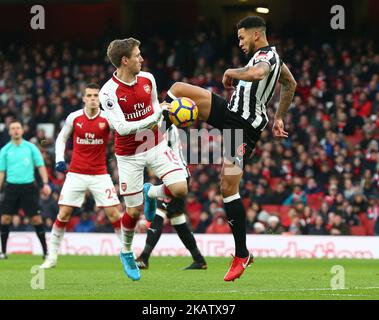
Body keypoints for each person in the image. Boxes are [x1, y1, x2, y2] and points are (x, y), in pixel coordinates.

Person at [161, 16, 297, 281]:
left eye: (242, 37)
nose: (240, 42)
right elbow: (290, 83)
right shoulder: (270, 58)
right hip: (230, 112)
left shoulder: (267, 58)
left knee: (227, 187)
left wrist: (230, 72)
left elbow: (258, 73)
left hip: (244, 127)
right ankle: (157, 133)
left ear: (256, 35)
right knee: (177, 90)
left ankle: (242, 254)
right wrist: (279, 116)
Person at [99, 38, 188, 281]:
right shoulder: (108, 92)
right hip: (128, 154)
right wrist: (157, 114)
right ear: (124, 60)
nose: (142, 59)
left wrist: (167, 119)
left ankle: (151, 192)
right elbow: (122, 128)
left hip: (155, 143)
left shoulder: (148, 79)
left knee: (180, 188)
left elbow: (154, 107)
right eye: (137, 55)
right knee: (134, 212)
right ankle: (127, 251)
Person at [40, 83, 122, 269]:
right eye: (89, 95)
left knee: (113, 213)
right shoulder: (74, 117)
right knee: (64, 213)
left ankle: (127, 252)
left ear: (99, 98)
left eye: (95, 95)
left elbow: (123, 132)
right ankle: (51, 256)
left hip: (100, 174)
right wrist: (59, 159)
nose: (93, 98)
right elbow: (61, 138)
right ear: (84, 98)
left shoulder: (108, 119)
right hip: (76, 174)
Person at [136, 125, 207, 270]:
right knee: (178, 220)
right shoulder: (166, 127)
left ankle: (144, 258)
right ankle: (199, 260)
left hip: (176, 178)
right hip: (176, 176)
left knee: (158, 213)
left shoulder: (167, 128)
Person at [0, 121, 51, 259]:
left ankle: (46, 252)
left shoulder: (31, 148)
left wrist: (45, 183)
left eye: (18, 128)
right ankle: (3, 252)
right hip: (11, 187)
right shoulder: (5, 150)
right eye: (13, 128)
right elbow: (2, 172)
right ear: (9, 132)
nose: (16, 130)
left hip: (28, 187)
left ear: (22, 130)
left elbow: (40, 166)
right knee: (5, 219)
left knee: (36, 219)